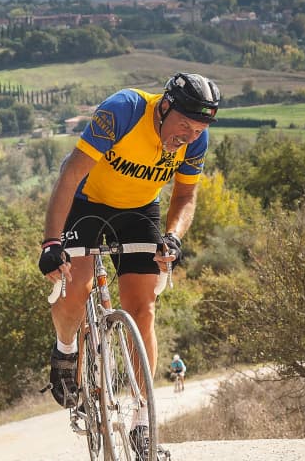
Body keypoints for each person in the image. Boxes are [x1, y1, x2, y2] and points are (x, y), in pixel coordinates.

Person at [38, 72, 218, 454]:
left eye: (198, 128)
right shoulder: (125, 110)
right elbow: (70, 174)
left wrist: (173, 236)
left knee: (143, 307)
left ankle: (141, 423)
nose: (188, 135)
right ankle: (67, 349)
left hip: (139, 211)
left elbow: (185, 195)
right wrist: (51, 243)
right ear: (164, 106)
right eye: (184, 124)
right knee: (76, 289)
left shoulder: (195, 141)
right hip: (86, 204)